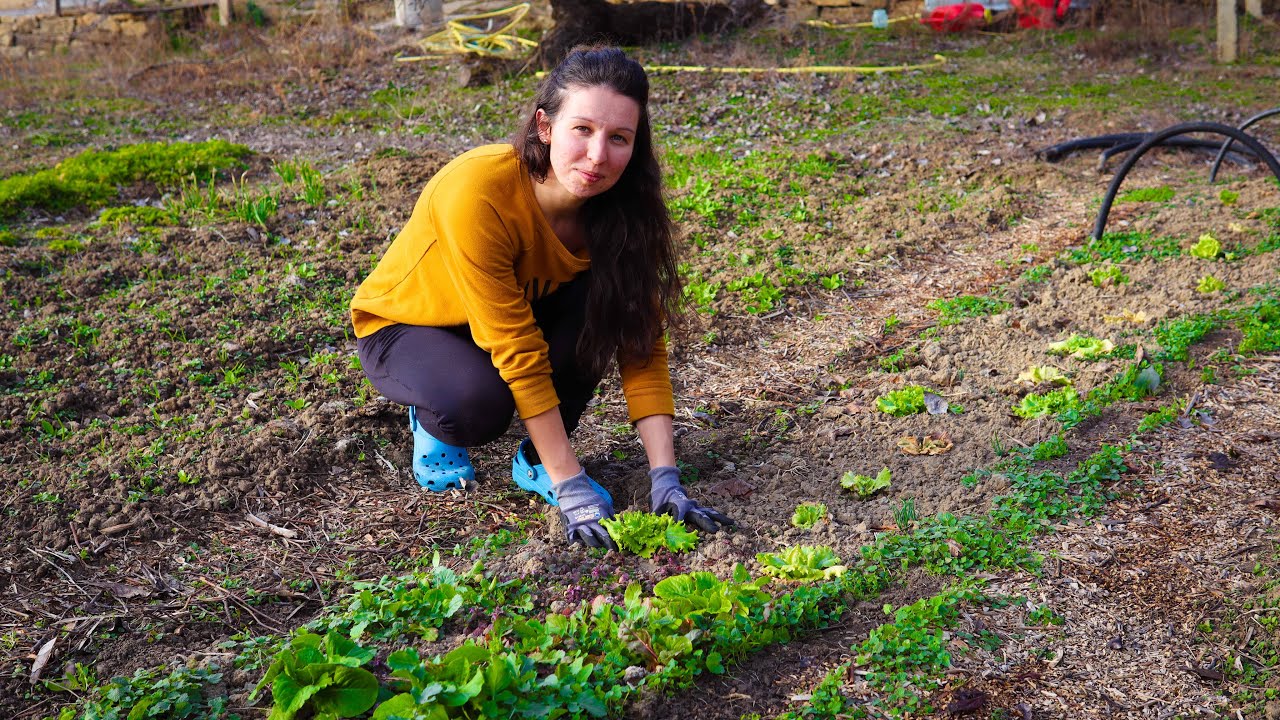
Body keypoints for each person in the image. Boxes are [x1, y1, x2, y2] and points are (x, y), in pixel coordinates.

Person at [349, 45, 733, 550]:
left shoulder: (620, 213)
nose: (598, 156)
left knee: (605, 307)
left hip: (511, 313)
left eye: (619, 138)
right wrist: (571, 485)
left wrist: (666, 477)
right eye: (582, 129)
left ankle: (536, 460)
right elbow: (516, 347)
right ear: (545, 126)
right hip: (411, 326)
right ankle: (435, 422)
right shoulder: (479, 189)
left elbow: (641, 346)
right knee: (478, 403)